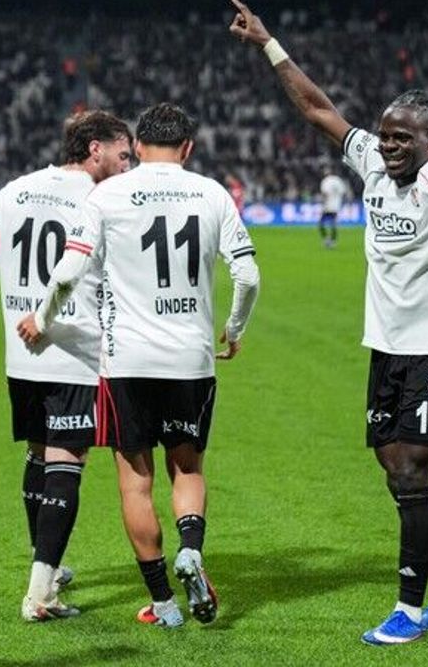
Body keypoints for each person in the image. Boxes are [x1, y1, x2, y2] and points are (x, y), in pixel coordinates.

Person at [230, 0, 428, 645]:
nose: (391, 145)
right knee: (397, 473)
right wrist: (268, 43)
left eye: (404, 138)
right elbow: (316, 107)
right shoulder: (371, 160)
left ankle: (408, 609)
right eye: (386, 135)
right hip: (387, 348)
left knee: (412, 475)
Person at [17, 103, 261, 628]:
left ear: (140, 145)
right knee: (187, 468)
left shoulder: (107, 195)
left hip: (126, 360)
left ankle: (164, 603)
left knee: (136, 483)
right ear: (188, 147)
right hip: (191, 359)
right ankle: (191, 548)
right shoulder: (212, 193)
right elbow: (248, 277)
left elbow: (69, 272)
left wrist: (42, 317)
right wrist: (235, 329)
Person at [0, 110, 134, 621]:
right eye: (122, 156)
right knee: (66, 463)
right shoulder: (102, 201)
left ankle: (43, 564)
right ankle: (41, 594)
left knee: (37, 455)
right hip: (73, 349)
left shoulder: (13, 191)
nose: (126, 166)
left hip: (20, 354)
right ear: (95, 150)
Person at [318, 164, 349, 248]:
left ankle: (326, 239)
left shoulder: (326, 181)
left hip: (328, 205)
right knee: (333, 224)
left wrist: (323, 204)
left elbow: (325, 194)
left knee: (321, 223)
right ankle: (333, 240)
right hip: (336, 205)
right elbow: (343, 193)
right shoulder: (338, 180)